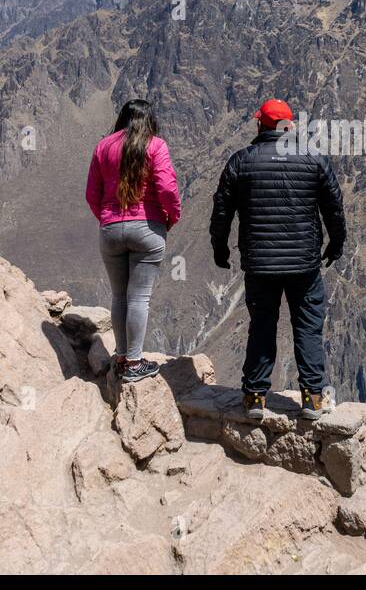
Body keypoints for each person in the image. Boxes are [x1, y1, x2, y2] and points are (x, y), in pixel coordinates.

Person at [210, 98, 347, 420]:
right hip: (304, 264)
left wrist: (220, 248)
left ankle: (255, 397)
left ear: (261, 125)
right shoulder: (314, 160)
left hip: (260, 264)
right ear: (290, 127)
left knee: (262, 326)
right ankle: (313, 398)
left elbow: (222, 210)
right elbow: (334, 208)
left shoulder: (241, 162)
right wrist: (336, 244)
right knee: (308, 327)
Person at [85, 99, 181, 382]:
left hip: (111, 228)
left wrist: (106, 218)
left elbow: (92, 193)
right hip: (148, 228)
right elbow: (166, 187)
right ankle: (135, 363)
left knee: (118, 296)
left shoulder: (103, 147)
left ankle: (123, 355)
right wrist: (170, 217)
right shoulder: (156, 145)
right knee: (139, 297)